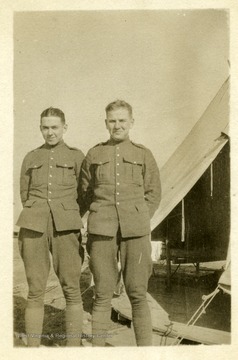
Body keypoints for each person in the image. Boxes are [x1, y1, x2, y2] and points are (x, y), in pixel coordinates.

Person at [81, 100, 161, 346]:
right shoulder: (94, 154)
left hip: (135, 232)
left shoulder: (143, 154)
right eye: (112, 121)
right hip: (102, 231)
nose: (117, 126)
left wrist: (137, 217)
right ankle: (99, 350)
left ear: (131, 123)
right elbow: (85, 192)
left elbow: (153, 193)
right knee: (102, 294)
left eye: (122, 121)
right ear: (106, 123)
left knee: (137, 293)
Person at [16, 107, 85, 347]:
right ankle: (33, 349)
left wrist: (69, 215)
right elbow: (24, 194)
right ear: (40, 129)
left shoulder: (77, 157)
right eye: (45, 127)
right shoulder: (31, 157)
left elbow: (84, 194)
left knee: (71, 287)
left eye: (55, 127)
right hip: (33, 225)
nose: (50, 132)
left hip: (65, 227)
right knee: (35, 289)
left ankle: (73, 349)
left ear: (64, 128)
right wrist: (38, 213)